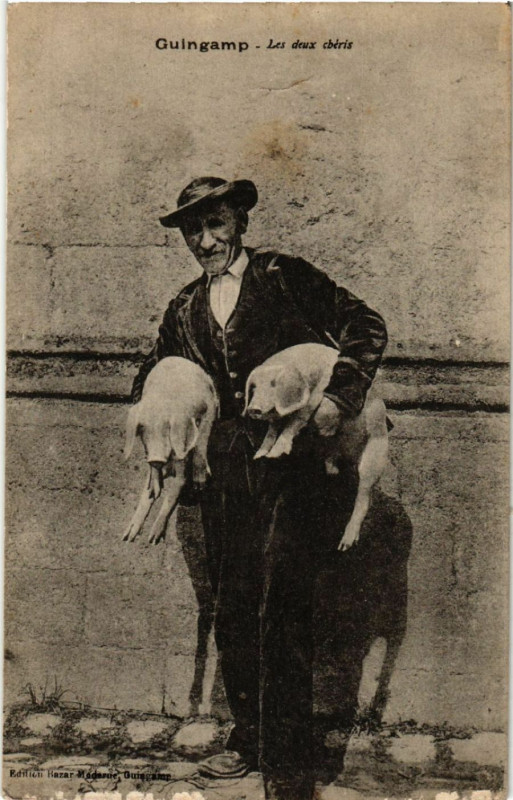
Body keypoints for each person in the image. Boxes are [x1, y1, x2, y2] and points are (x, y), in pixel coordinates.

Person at [131, 176, 388, 800]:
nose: (205, 239)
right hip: (221, 473)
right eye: (194, 230)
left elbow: (365, 325)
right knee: (233, 605)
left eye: (216, 223)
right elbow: (157, 372)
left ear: (239, 222)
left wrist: (336, 397)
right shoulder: (184, 307)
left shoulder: (283, 276)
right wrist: (159, 400)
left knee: (286, 604)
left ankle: (290, 762)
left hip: (291, 467)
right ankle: (248, 738)